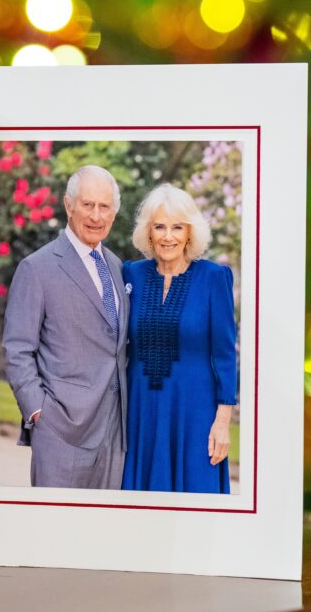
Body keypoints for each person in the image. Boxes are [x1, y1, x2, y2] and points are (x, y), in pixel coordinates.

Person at [2, 165, 129, 489]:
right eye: (88, 205)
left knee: (104, 533)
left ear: (114, 212)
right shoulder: (37, 268)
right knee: (54, 532)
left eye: (105, 207)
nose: (97, 216)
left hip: (114, 433)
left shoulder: (116, 266)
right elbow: (17, 348)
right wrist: (37, 412)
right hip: (60, 432)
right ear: (68, 205)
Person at [121, 183, 237, 494]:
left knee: (195, 510)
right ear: (148, 232)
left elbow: (226, 355)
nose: (168, 236)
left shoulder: (214, 278)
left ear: (190, 233)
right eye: (159, 226)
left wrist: (222, 421)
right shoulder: (131, 274)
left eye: (177, 227)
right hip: (141, 413)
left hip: (195, 416)